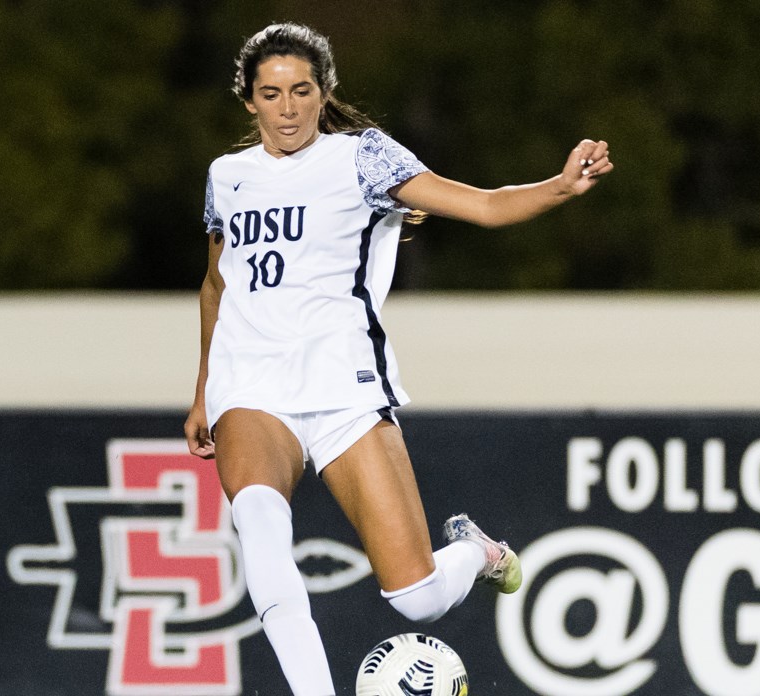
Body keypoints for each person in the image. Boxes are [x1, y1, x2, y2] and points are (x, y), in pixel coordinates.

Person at [183, 22, 613, 695]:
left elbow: (483, 205)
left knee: (417, 600)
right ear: (249, 100)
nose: (288, 107)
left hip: (344, 391)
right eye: (272, 93)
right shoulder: (227, 177)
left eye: (301, 91)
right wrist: (205, 390)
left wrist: (559, 187)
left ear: (325, 93)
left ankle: (477, 550)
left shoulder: (363, 158)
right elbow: (217, 285)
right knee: (261, 531)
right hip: (251, 392)